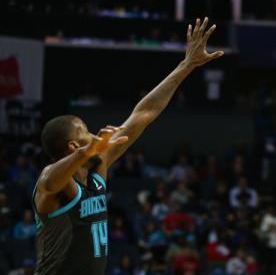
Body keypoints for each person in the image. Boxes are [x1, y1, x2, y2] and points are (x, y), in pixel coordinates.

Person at [32, 17, 223, 275]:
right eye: (86, 132)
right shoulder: (57, 187)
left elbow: (144, 113)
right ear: (74, 145)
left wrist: (186, 65)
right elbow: (47, 180)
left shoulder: (97, 166)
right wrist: (84, 152)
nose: (94, 135)